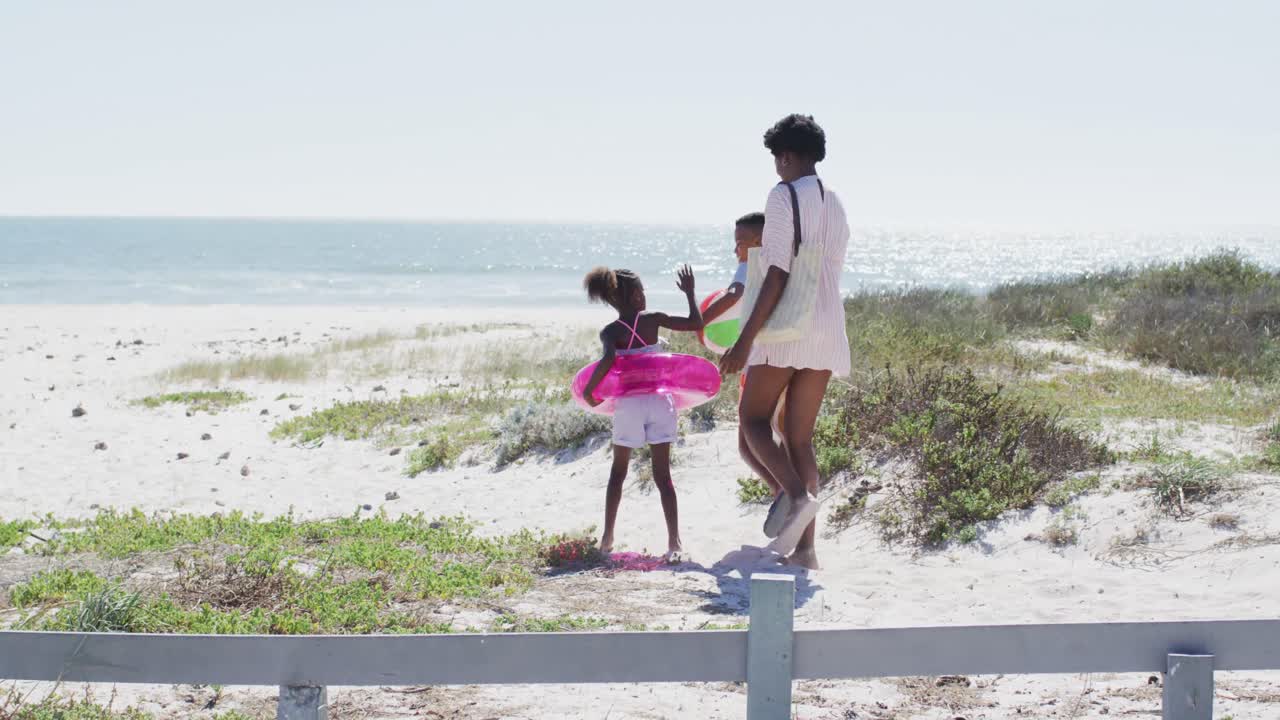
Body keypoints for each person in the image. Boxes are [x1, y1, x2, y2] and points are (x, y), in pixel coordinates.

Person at [720, 114, 850, 570]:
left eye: (778, 157)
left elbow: (778, 271)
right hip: (828, 326)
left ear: (787, 155)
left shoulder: (782, 196)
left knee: (752, 419)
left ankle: (795, 496)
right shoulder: (835, 202)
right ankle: (807, 551)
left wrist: (744, 339)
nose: (778, 166)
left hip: (788, 324)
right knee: (800, 440)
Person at [582, 264, 703, 561]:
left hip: (629, 405)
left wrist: (589, 391)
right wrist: (690, 293)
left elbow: (609, 359)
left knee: (618, 473)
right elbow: (694, 323)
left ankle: (608, 538)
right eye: (643, 291)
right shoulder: (653, 320)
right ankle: (674, 543)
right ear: (637, 296)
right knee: (664, 476)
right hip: (661, 402)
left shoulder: (610, 331)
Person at [703, 213, 790, 533]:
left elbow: (733, 295)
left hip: (758, 362)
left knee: (746, 442)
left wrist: (698, 322)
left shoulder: (749, 266)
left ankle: (783, 490)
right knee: (783, 435)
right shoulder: (778, 269)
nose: (735, 251)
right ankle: (786, 493)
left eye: (739, 244)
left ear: (757, 243)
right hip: (788, 358)